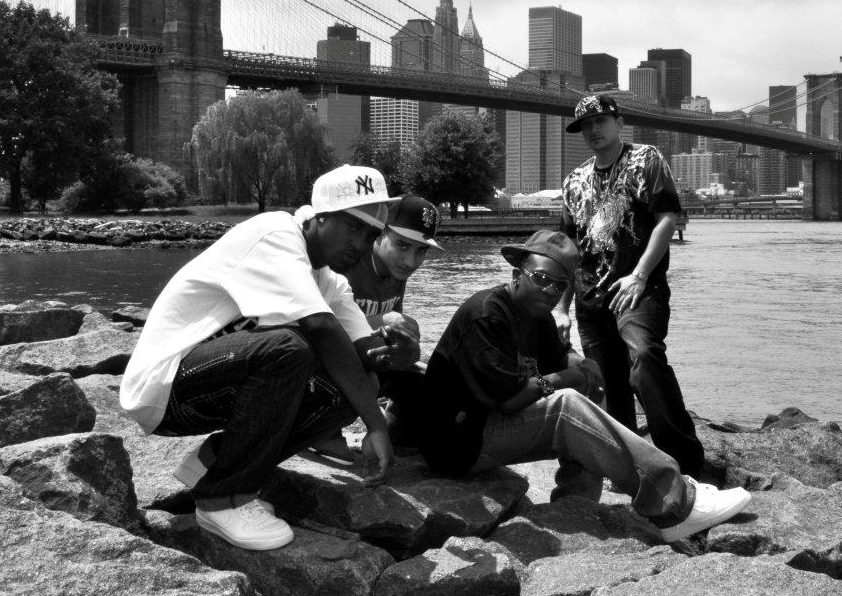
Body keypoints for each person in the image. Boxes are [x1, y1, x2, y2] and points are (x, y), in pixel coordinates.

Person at [119, 165, 417, 551]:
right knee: (289, 348)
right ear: (321, 216)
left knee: (357, 384)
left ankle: (214, 462)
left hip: (210, 388)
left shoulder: (330, 281)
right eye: (353, 227)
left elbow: (364, 353)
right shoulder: (275, 233)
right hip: (164, 386)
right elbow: (321, 328)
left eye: (372, 235)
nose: (361, 244)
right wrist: (377, 424)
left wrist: (401, 354)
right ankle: (222, 499)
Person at [417, 230, 750, 542]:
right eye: (541, 279)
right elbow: (511, 400)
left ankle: (577, 506)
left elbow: (561, 357)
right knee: (566, 405)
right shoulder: (487, 315)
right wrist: (569, 378)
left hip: (485, 427)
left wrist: (582, 365)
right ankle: (674, 503)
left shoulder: (536, 316)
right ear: (517, 275)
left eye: (559, 286)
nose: (549, 291)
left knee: (588, 382)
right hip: (456, 443)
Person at [557, 94, 705, 478]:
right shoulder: (573, 182)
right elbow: (570, 249)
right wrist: (561, 307)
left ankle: (685, 466)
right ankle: (629, 470)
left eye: (600, 121)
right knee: (610, 387)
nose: (593, 129)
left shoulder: (646, 159)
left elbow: (667, 219)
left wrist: (639, 274)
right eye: (586, 125)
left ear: (619, 123)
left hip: (638, 290)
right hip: (590, 300)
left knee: (644, 360)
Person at [309, 193, 444, 458]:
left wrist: (405, 341)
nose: (410, 261)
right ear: (379, 233)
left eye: (421, 251)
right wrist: (382, 320)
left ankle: (394, 432)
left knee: (434, 376)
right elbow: (315, 324)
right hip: (325, 360)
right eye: (402, 245)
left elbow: (389, 330)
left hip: (362, 355)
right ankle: (318, 431)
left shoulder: (396, 270)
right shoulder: (347, 259)